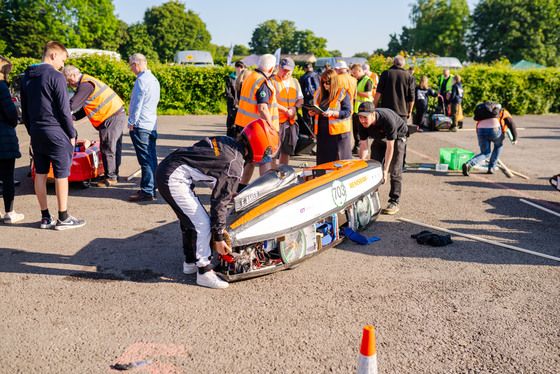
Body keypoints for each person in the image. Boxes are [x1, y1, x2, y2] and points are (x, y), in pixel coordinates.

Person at [155, 119, 279, 289]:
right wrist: (219, 238)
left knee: (190, 220)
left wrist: (224, 190)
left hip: (168, 168)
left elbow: (204, 161)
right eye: (267, 151)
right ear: (259, 148)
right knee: (203, 223)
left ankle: (191, 262)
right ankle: (204, 272)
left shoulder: (227, 141)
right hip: (174, 178)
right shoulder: (234, 166)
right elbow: (218, 204)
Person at [21, 41, 85, 230]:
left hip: (37, 132)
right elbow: (64, 110)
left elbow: (24, 111)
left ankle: (45, 217)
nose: (63, 65)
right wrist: (71, 133)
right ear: (53, 55)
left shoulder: (26, 77)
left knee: (40, 173)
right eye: (63, 60)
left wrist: (32, 132)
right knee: (61, 174)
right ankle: (63, 218)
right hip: (56, 132)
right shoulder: (56, 76)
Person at [61, 66, 126, 187]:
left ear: (74, 75)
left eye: (69, 81)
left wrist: (58, 111)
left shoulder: (85, 85)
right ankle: (113, 174)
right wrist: (74, 117)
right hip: (115, 114)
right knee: (113, 146)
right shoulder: (87, 82)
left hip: (110, 116)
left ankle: (110, 177)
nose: (69, 84)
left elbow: (73, 104)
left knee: (107, 147)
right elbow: (87, 106)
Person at [234, 54, 279, 191]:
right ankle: (264, 190)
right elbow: (263, 107)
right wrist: (270, 126)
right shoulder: (262, 82)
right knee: (265, 158)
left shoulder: (250, 77)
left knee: (249, 160)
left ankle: (240, 188)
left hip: (245, 127)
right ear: (271, 69)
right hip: (258, 130)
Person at [357, 102, 408, 215]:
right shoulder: (361, 123)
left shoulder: (387, 120)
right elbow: (364, 146)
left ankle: (394, 201)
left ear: (373, 115)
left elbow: (390, 147)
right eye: (360, 117)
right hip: (380, 136)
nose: (362, 120)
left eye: (365, 117)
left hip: (398, 136)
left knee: (395, 169)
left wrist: (385, 170)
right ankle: (372, 199)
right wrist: (360, 166)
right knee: (373, 167)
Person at [128, 53, 161, 202]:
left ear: (136, 64)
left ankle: (147, 190)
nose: (131, 69)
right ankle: (152, 187)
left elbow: (136, 104)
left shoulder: (141, 81)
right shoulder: (154, 80)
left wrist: (131, 122)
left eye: (130, 65)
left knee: (145, 160)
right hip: (151, 123)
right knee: (152, 157)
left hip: (141, 125)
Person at [307, 69, 352, 165]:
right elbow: (318, 109)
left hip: (339, 135)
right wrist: (313, 112)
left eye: (327, 82)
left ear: (334, 81)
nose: (325, 85)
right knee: (323, 163)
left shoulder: (342, 92)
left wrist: (333, 113)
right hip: (322, 134)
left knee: (341, 163)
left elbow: (348, 112)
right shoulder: (319, 93)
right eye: (322, 82)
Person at [0, 55, 24, 224]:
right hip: (3, 138)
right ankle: (9, 212)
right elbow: (11, 113)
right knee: (7, 177)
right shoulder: (1, 87)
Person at [463, 104, 518, 176]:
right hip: (495, 130)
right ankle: (491, 167)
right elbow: (511, 123)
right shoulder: (503, 111)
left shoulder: (485, 111)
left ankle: (469, 164)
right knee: (498, 145)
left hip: (480, 129)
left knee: (485, 153)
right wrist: (515, 138)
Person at [271, 58, 303, 166]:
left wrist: (294, 108)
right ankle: (272, 176)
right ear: (279, 67)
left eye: (289, 70)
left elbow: (300, 99)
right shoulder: (272, 81)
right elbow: (272, 101)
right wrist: (286, 110)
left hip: (290, 123)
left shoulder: (295, 82)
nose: (286, 72)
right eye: (284, 69)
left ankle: (283, 175)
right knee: (273, 153)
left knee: (286, 152)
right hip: (276, 123)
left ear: (292, 70)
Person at [350, 63, 373, 154]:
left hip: (364, 110)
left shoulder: (367, 80)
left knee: (361, 131)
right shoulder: (357, 80)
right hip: (357, 110)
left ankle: (361, 148)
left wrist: (356, 93)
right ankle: (356, 146)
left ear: (360, 70)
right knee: (355, 130)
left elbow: (368, 94)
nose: (353, 75)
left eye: (354, 73)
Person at [225, 61, 245, 138]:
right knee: (231, 124)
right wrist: (234, 103)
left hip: (241, 105)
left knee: (239, 126)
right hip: (232, 105)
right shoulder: (230, 79)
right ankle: (229, 140)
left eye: (241, 67)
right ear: (235, 67)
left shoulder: (244, 79)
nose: (239, 69)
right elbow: (228, 92)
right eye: (237, 67)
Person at [299, 62, 320, 131]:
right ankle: (316, 133)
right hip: (316, 101)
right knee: (316, 118)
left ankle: (309, 135)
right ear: (312, 68)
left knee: (307, 118)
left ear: (305, 69)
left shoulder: (302, 77)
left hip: (306, 101)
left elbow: (300, 91)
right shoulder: (317, 76)